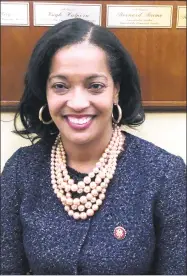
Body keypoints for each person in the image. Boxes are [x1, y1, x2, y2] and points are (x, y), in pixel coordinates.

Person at [1, 18, 186, 275]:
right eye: (60, 86)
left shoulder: (164, 174)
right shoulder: (20, 170)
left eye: (95, 86)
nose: (77, 102)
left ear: (116, 91)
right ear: (45, 92)